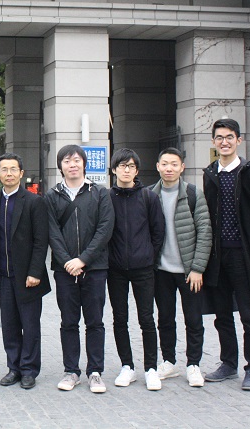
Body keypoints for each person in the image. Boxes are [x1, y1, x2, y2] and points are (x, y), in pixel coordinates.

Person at [202, 118, 250, 391]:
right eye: (220, 137)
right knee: (222, 313)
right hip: (217, 256)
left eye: (229, 137)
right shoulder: (210, 174)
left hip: (243, 255)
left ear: (238, 140)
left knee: (248, 313)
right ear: (214, 142)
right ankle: (228, 363)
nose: (224, 142)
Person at [46, 145, 114, 394]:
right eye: (66, 161)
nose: (72, 164)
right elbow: (52, 232)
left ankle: (95, 371)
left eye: (76, 160)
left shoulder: (100, 193)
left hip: (95, 268)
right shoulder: (52, 196)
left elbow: (105, 229)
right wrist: (67, 261)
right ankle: (71, 371)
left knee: (95, 321)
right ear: (60, 166)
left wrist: (83, 260)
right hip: (64, 270)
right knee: (68, 321)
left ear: (84, 164)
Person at [150, 147, 212, 387]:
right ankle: (168, 361)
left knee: (193, 319)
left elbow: (205, 232)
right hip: (161, 271)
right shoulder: (150, 195)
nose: (169, 168)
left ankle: (193, 364)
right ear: (158, 166)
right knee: (165, 318)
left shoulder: (194, 194)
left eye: (174, 164)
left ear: (182, 167)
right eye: (165, 164)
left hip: (189, 272)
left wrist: (197, 268)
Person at [0, 152, 50, 390]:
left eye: (13, 169)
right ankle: (13, 368)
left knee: (30, 325)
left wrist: (35, 272)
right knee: (10, 325)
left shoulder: (34, 202)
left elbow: (41, 241)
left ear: (21, 173)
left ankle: (29, 369)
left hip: (28, 277)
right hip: (4, 275)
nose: (9, 174)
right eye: (4, 170)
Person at [107, 148, 165, 391]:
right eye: (122, 165)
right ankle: (127, 366)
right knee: (120, 318)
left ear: (137, 170)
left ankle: (151, 368)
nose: (126, 170)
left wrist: (148, 256)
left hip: (143, 268)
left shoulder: (148, 197)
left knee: (146, 318)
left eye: (131, 166)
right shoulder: (106, 198)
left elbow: (158, 232)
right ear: (114, 169)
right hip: (115, 269)